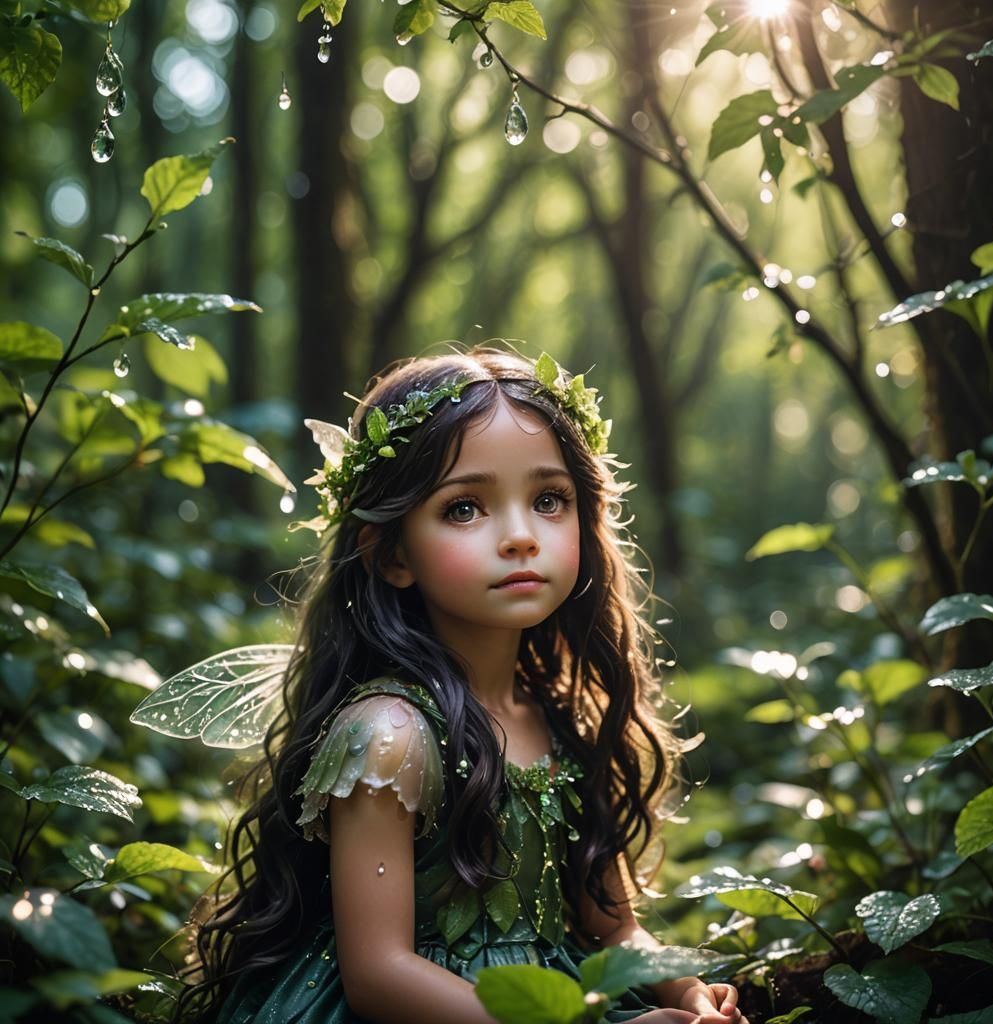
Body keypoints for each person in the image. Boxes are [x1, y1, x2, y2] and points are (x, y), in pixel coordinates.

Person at [148, 344, 750, 1024]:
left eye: (549, 499)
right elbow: (380, 973)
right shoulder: (390, 735)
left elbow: (612, 929)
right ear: (393, 553)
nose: (521, 536)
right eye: (465, 508)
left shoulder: (559, 719)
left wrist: (687, 989)